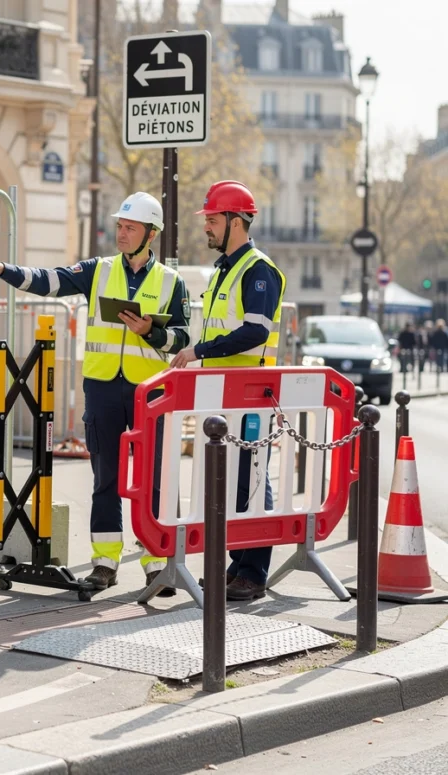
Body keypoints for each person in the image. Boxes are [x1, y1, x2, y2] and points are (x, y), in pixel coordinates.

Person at [0, 192, 191, 593]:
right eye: (119, 226)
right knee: (106, 479)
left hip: (151, 395)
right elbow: (50, 281)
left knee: (156, 480)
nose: (120, 233)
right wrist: (1, 268)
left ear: (150, 234)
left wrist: (152, 332)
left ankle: (159, 564)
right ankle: (105, 564)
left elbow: (184, 339)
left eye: (130, 228)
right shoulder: (98, 269)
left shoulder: (172, 282)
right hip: (103, 389)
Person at [170, 180, 286, 601]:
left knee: (252, 480)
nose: (208, 229)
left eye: (214, 221)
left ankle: (253, 572)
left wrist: (198, 351)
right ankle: (237, 566)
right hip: (227, 395)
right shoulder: (225, 269)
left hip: (253, 394)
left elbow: (254, 331)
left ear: (237, 222)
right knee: (233, 483)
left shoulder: (257, 270)